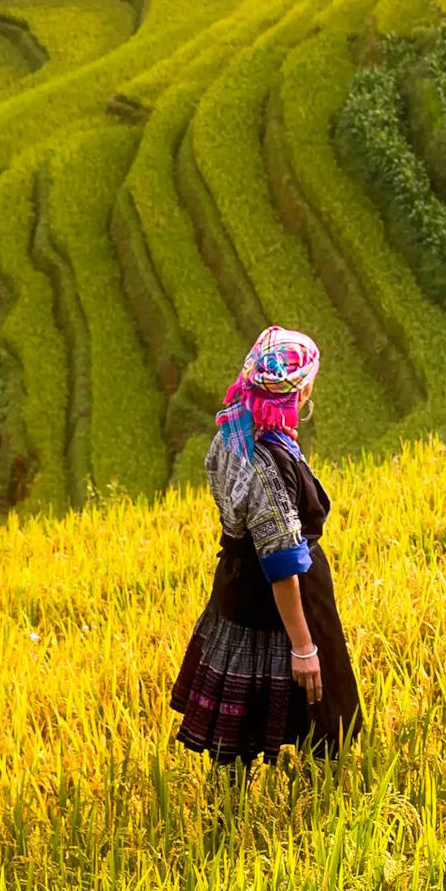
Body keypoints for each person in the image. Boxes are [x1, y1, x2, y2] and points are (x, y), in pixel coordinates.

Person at [171, 326, 359, 763]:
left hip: (235, 588)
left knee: (239, 723)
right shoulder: (265, 461)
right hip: (279, 596)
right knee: (326, 719)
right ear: (301, 389)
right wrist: (303, 646)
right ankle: (320, 806)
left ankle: (232, 806)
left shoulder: (231, 431)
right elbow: (281, 562)